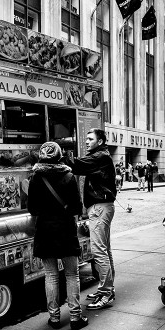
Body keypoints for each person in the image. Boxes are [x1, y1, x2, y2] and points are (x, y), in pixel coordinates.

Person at [27, 142, 88, 330]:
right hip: (66, 231)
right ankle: (75, 318)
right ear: (59, 156)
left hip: (45, 231)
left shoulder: (35, 178)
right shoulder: (69, 177)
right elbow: (77, 208)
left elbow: (32, 209)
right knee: (72, 274)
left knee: (51, 275)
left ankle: (54, 318)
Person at [64, 128, 117, 310]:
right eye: (86, 138)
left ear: (100, 141)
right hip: (103, 207)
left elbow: (76, 165)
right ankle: (107, 287)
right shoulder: (101, 156)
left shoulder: (100, 156)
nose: (86, 141)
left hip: (100, 207)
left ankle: (106, 293)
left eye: (90, 139)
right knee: (105, 250)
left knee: (98, 250)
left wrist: (59, 153)